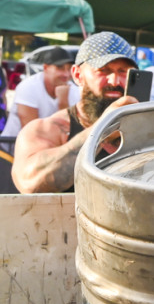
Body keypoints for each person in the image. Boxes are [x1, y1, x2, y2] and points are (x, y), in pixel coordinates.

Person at [11, 32, 137, 193]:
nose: (114, 81)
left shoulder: (147, 128)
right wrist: (102, 131)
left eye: (123, 72)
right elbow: (29, 183)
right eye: (103, 71)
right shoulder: (49, 129)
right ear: (78, 75)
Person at [0, 47, 75, 137]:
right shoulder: (28, 87)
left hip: (52, 147)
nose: (66, 74)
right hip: (13, 147)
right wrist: (63, 104)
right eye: (60, 68)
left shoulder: (75, 90)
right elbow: (31, 133)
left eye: (69, 68)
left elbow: (73, 131)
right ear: (45, 68)